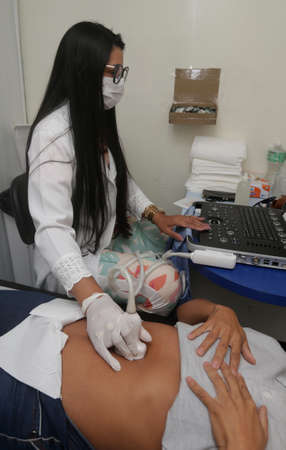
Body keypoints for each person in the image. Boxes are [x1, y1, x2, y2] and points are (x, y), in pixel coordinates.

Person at [26, 21, 253, 371]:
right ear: (84, 71)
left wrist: (156, 215)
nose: (120, 81)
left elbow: (123, 181)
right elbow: (52, 231)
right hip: (74, 261)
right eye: (113, 72)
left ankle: (168, 305)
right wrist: (95, 302)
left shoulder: (94, 120)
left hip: (101, 239)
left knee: (174, 242)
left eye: (121, 71)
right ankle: (167, 319)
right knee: (168, 284)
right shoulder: (52, 137)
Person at [0, 290, 282, 450]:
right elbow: (184, 315)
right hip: (60, 318)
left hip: (39, 397)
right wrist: (219, 311)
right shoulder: (277, 354)